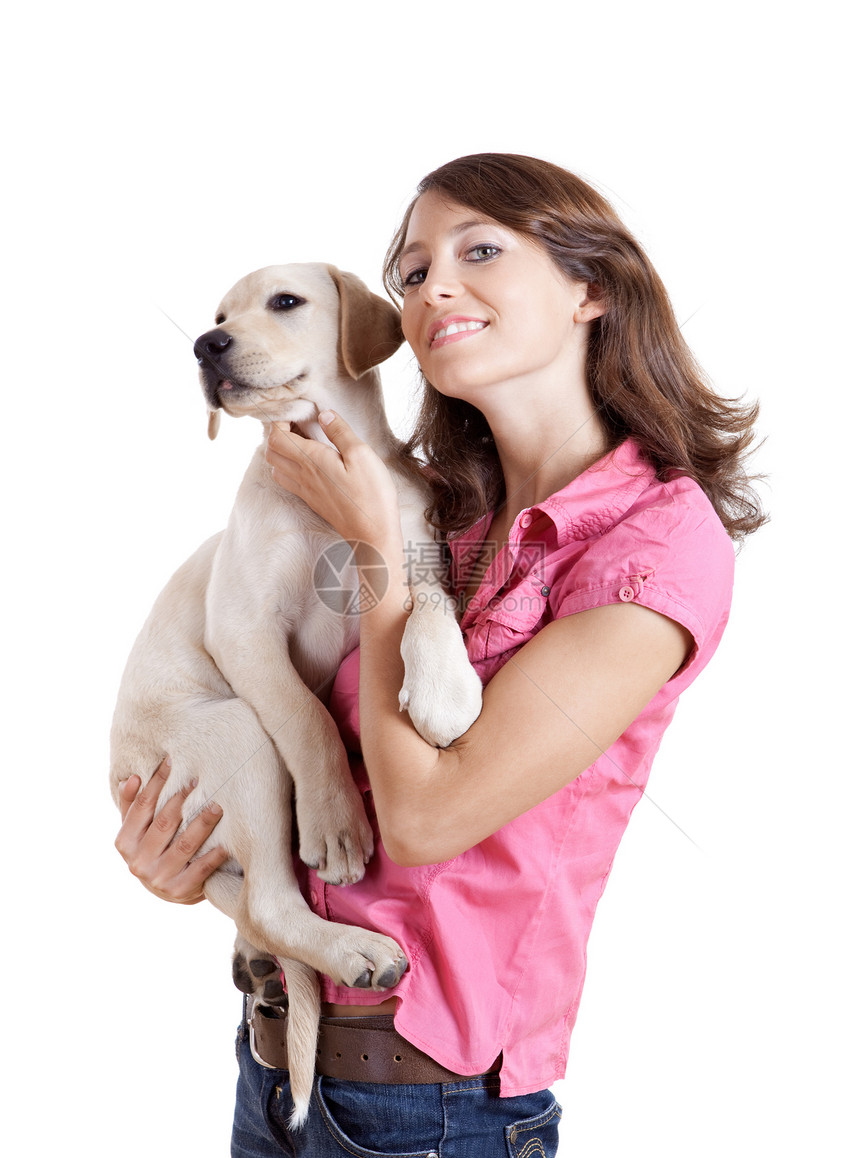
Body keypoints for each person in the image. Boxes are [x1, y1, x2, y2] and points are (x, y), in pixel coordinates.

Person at [115, 153, 765, 1156]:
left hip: (433, 1108)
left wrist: (378, 557)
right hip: (278, 1053)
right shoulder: (439, 512)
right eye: (410, 272)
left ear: (591, 288)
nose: (433, 287)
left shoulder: (654, 544)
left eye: (479, 251)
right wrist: (207, 863)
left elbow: (423, 820)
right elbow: (296, 745)